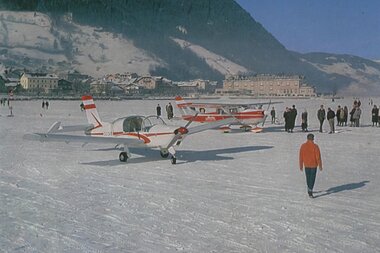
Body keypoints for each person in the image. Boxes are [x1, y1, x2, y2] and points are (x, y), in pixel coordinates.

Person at [299, 133, 323, 198]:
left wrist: (301, 165)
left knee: (308, 177)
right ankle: (310, 190)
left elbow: (301, 156)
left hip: (306, 164)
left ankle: (309, 188)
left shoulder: (303, 146)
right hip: (313, 165)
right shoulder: (315, 146)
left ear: (307, 138)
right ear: (313, 139)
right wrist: (320, 165)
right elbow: (318, 157)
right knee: (312, 178)